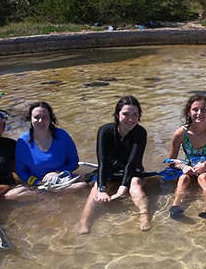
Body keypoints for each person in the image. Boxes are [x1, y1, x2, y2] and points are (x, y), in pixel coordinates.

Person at [78, 96, 150, 233]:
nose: (131, 119)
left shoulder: (140, 132)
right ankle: (84, 220)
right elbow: (102, 161)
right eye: (126, 114)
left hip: (133, 171)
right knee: (96, 188)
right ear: (117, 114)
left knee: (135, 183)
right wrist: (102, 189)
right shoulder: (105, 131)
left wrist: (122, 188)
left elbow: (132, 162)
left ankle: (144, 215)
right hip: (110, 171)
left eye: (135, 115)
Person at [168, 94, 206, 220]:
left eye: (203, 109)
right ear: (189, 111)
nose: (199, 113)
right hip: (189, 169)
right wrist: (183, 167)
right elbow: (170, 161)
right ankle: (176, 207)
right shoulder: (180, 133)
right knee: (183, 179)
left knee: (203, 177)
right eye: (195, 109)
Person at [15, 101, 86, 192]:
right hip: (38, 186)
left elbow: (74, 163)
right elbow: (21, 171)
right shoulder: (22, 142)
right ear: (30, 119)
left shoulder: (63, 136)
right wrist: (37, 182)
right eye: (36, 117)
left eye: (44, 117)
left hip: (62, 181)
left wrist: (57, 173)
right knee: (11, 195)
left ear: (50, 119)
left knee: (81, 186)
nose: (40, 121)